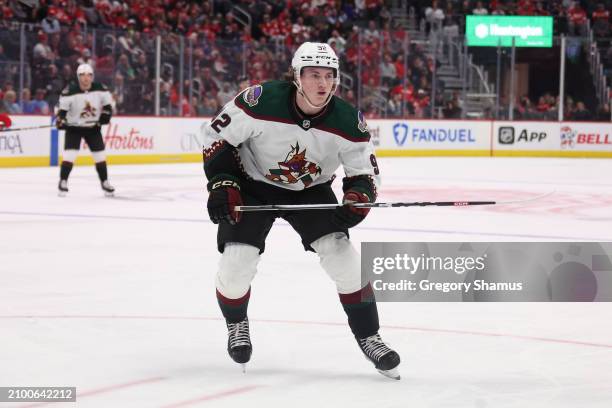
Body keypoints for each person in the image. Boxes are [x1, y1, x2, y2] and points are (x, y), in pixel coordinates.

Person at [201, 42, 401, 379]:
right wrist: (222, 182)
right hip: (252, 187)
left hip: (310, 191)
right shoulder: (260, 100)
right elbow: (215, 136)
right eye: (313, 75)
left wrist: (358, 197)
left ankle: (369, 336)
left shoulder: (349, 121)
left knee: (345, 260)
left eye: (328, 76)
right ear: (297, 76)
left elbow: (364, 172)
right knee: (235, 268)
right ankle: (237, 323)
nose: (322, 84)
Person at [56, 63, 115, 197]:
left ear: (92, 76)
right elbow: (61, 113)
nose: (86, 78)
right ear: (78, 77)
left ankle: (105, 182)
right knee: (70, 156)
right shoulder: (69, 91)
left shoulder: (101, 89)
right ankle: (63, 181)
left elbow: (108, 106)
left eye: (89, 75)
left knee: (100, 156)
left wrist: (105, 116)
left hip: (93, 128)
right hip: (74, 128)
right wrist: (61, 121)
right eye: (82, 75)